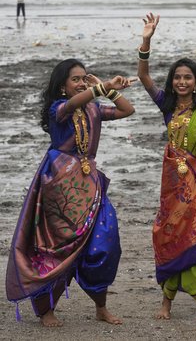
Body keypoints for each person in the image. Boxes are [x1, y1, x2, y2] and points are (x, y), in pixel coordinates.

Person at [5, 59, 135, 327]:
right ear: (62, 86)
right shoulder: (58, 109)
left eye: (83, 78)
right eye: (74, 79)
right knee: (54, 248)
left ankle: (101, 307)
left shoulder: (94, 109)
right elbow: (72, 105)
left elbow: (127, 110)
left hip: (89, 184)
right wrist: (100, 88)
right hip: (59, 186)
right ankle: (46, 310)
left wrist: (107, 89)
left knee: (105, 241)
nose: (80, 83)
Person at [136, 13, 196, 321]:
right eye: (177, 77)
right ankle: (166, 302)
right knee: (168, 235)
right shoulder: (166, 106)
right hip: (173, 187)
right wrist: (147, 41)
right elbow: (143, 77)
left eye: (187, 77)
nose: (181, 81)